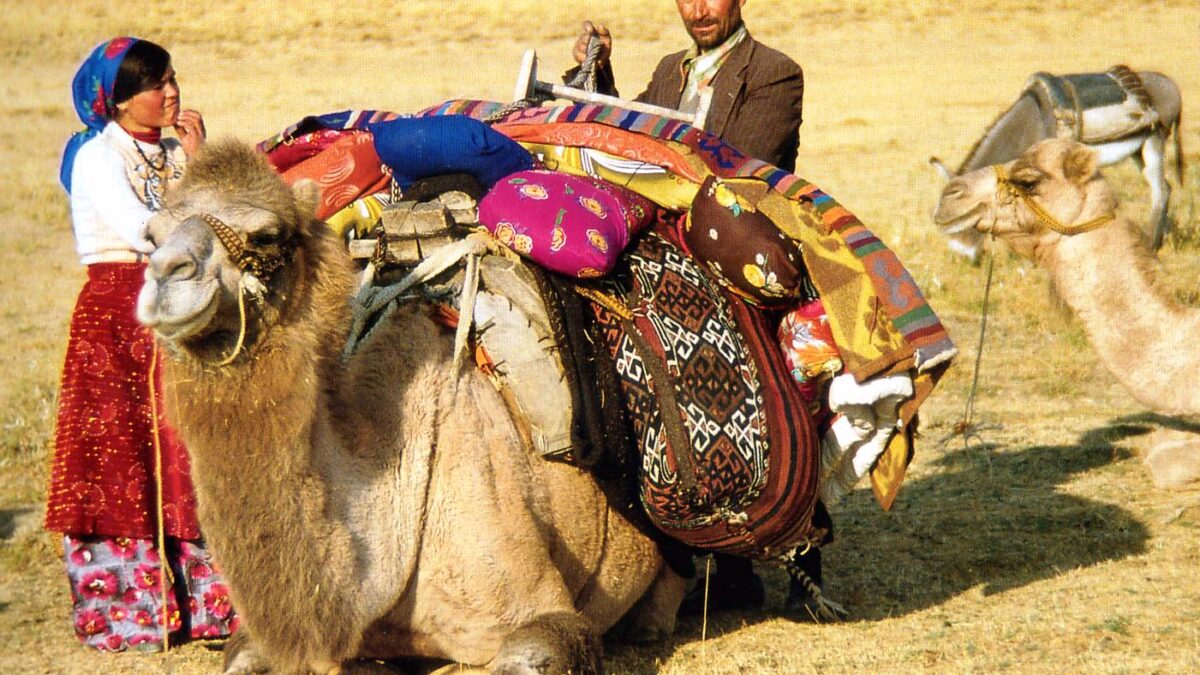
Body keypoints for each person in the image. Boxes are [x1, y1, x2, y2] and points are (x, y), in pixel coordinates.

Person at [569, 1, 833, 619]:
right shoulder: (669, 71)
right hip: (679, 255)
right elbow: (626, 132)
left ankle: (805, 564)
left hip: (745, 257)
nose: (699, 7)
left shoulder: (774, 73)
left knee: (778, 395)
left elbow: (736, 168)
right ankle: (722, 566)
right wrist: (600, 77)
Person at [45, 37, 236, 652]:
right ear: (119, 100)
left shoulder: (176, 154)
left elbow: (215, 219)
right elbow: (143, 229)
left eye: (173, 79)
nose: (172, 93)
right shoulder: (98, 159)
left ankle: (208, 605)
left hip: (179, 310)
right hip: (119, 318)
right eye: (157, 85)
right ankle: (133, 613)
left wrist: (203, 158)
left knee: (190, 448)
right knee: (121, 455)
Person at [567, 0, 803, 172]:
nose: (699, 12)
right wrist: (595, 68)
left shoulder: (774, 73)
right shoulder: (670, 69)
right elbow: (620, 132)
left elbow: (739, 174)